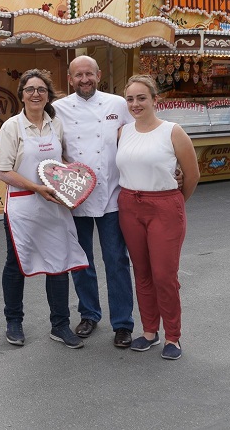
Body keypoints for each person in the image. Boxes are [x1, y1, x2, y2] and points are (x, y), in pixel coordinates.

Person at [0, 68, 88, 349]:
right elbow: (2, 171)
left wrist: (73, 184)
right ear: (21, 95)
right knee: (16, 263)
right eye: (30, 89)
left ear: (48, 95)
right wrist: (37, 188)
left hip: (54, 206)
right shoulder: (12, 127)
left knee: (58, 264)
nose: (35, 94)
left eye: (41, 90)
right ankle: (14, 321)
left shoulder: (55, 124)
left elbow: (62, 163)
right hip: (23, 206)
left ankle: (60, 324)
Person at [51, 55, 135, 348]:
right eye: (78, 75)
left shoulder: (118, 104)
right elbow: (53, 148)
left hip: (112, 195)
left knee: (116, 261)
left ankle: (123, 323)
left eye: (89, 74)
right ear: (70, 79)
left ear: (98, 75)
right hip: (76, 198)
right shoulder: (58, 109)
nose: (84, 79)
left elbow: (138, 136)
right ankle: (89, 313)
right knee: (80, 261)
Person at [116, 74, 199, 360]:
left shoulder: (172, 131)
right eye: (130, 99)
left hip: (164, 207)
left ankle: (173, 337)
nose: (135, 104)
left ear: (155, 99)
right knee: (142, 273)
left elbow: (192, 175)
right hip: (129, 205)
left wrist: (173, 202)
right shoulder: (123, 132)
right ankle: (149, 331)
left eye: (141, 98)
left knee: (164, 275)